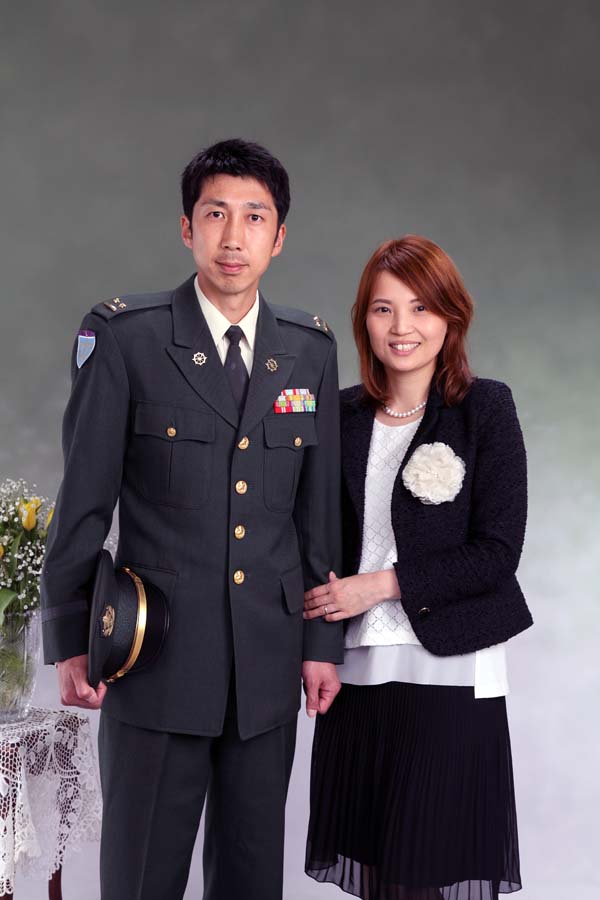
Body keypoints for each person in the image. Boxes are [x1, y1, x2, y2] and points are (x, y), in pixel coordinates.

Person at [40, 138, 343, 900]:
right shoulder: (127, 338)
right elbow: (84, 501)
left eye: (254, 218)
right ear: (187, 228)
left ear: (279, 238)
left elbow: (317, 518)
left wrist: (321, 644)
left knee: (250, 883)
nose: (233, 237)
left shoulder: (307, 350)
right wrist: (70, 638)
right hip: (155, 662)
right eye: (216, 215)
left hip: (266, 671)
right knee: (141, 881)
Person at [303, 235, 533, 900]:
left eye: (421, 307)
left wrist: (381, 586)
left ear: (451, 317)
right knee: (378, 873)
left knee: (424, 869)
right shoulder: (340, 415)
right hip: (356, 671)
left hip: (448, 669)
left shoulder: (485, 409)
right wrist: (315, 646)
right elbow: (314, 540)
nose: (402, 327)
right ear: (364, 321)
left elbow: (498, 551)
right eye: (384, 309)